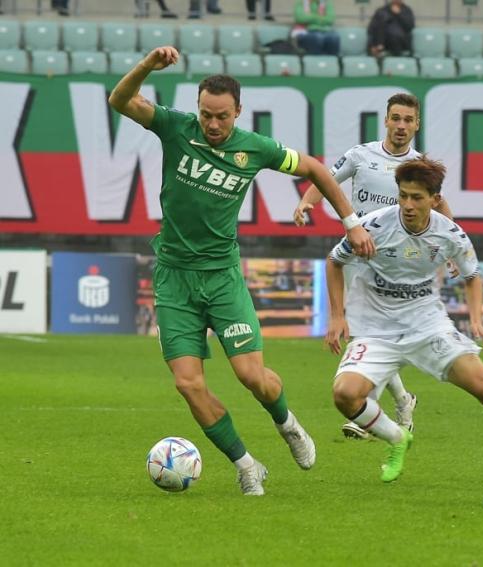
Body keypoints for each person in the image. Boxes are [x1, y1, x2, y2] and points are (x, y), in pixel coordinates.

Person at [107, 46, 375, 496]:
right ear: (197, 108)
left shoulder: (255, 148)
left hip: (223, 278)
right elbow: (119, 100)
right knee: (187, 384)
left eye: (223, 117)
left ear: (238, 113)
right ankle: (247, 464)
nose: (214, 125)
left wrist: (350, 221)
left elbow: (312, 168)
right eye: (207, 115)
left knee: (254, 378)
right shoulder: (175, 128)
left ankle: (287, 423)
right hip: (174, 278)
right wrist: (147, 67)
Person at [325, 157, 483, 488]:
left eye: (417, 197)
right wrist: (336, 316)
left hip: (427, 325)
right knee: (345, 395)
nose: (407, 204)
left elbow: (472, 276)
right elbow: (335, 261)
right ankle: (397, 439)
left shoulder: (451, 234)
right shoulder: (373, 225)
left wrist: (476, 321)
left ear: (435, 200)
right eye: (403, 195)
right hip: (375, 328)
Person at [295, 93, 441, 441]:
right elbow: (326, 181)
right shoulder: (361, 155)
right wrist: (306, 202)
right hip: (359, 253)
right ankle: (403, 401)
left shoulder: (420, 165)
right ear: (386, 120)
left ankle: (365, 410)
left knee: (370, 333)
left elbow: (439, 205)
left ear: (416, 124)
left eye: (408, 120)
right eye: (396, 118)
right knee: (370, 333)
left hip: (399, 262)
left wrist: (449, 248)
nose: (402, 126)